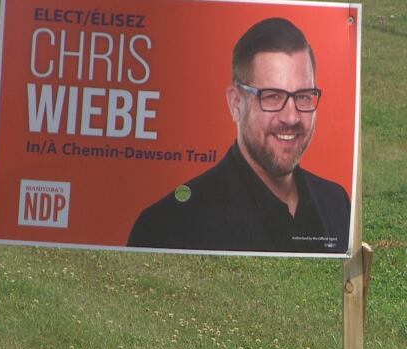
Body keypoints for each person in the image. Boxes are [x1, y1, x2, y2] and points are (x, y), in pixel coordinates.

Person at [127, 17, 350, 253]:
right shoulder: (168, 227)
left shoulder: (337, 202)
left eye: (304, 96)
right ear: (235, 104)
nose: (292, 117)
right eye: (272, 96)